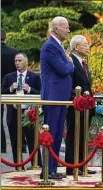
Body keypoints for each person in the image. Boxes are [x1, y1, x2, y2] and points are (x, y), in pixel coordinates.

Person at [40, 16, 74, 179]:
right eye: (65, 27)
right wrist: (70, 64)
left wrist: (68, 62)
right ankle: (46, 169)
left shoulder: (58, 45)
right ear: (55, 29)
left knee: (58, 133)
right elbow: (62, 68)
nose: (68, 30)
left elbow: (64, 65)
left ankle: (52, 169)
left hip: (60, 97)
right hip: (53, 96)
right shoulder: (50, 46)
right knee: (51, 132)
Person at [1, 53, 42, 169]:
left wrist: (28, 89)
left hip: (28, 113)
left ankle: (36, 165)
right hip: (13, 113)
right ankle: (18, 166)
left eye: (19, 60)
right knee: (15, 141)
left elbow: (41, 92)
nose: (17, 63)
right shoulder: (9, 77)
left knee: (32, 141)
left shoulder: (34, 77)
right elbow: (2, 92)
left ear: (26, 62)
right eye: (15, 61)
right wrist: (10, 88)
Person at [65, 35, 96, 175]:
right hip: (76, 106)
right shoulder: (70, 61)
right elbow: (68, 84)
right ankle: (72, 167)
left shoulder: (83, 63)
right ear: (76, 47)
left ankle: (82, 166)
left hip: (86, 107)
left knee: (83, 136)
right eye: (85, 44)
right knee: (73, 136)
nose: (88, 47)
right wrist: (77, 98)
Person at [1, 29, 18, 153]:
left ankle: (1, 145)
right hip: (12, 85)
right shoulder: (14, 52)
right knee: (14, 115)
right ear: (5, 38)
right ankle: (20, 144)